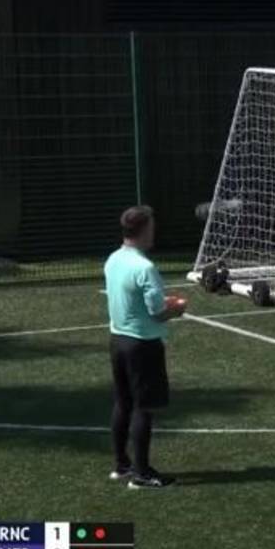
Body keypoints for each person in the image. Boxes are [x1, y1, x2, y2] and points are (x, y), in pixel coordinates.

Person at [103, 206, 184, 489]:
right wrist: (177, 308)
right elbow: (158, 313)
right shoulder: (145, 268)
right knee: (143, 408)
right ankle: (142, 473)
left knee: (123, 402)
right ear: (143, 230)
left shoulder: (113, 259)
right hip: (142, 345)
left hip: (117, 342)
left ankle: (121, 465)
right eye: (152, 226)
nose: (155, 231)